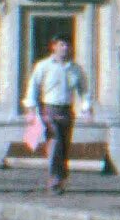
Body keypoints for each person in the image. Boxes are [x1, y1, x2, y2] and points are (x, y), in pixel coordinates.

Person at [23, 35, 91, 195]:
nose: (65, 48)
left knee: (64, 147)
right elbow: (33, 87)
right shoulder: (43, 66)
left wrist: (86, 109)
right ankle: (54, 182)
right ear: (53, 46)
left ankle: (60, 179)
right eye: (61, 45)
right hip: (49, 110)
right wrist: (31, 109)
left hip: (67, 111)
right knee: (55, 144)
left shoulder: (75, 69)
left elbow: (84, 91)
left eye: (68, 45)